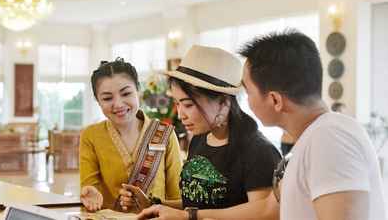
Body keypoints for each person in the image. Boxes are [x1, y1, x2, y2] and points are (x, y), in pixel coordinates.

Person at [136, 30, 386, 220]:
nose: (244, 100)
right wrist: (188, 214)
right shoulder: (312, 139)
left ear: (275, 99)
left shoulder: (330, 139)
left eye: (247, 90)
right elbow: (269, 207)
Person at [118, 45, 280, 213]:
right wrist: (153, 203)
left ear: (224, 103)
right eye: (178, 104)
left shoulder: (259, 152)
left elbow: (263, 215)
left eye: (188, 105)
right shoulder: (199, 139)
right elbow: (199, 204)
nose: (181, 115)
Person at [79, 58, 182, 212]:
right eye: (107, 98)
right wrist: (90, 193)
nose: (118, 104)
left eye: (126, 93)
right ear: (98, 101)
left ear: (138, 91)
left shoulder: (165, 134)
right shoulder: (91, 135)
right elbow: (90, 186)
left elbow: (177, 198)